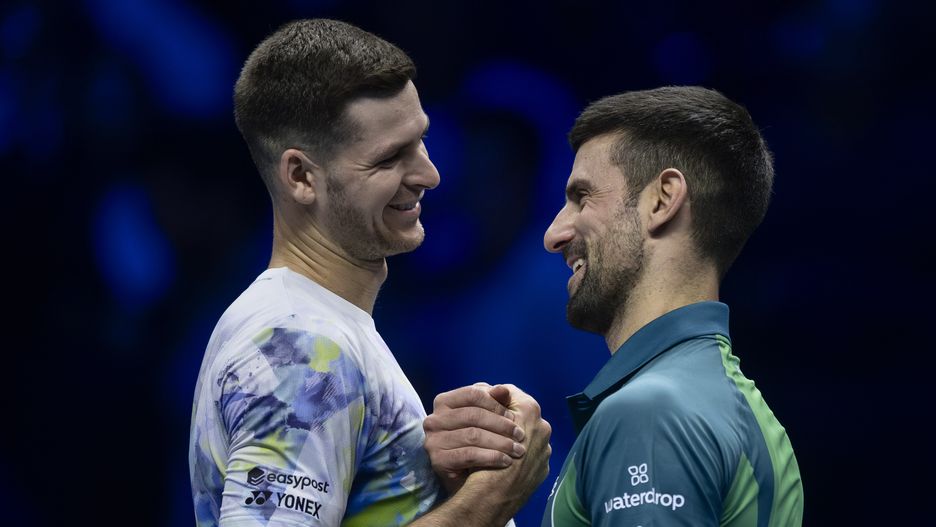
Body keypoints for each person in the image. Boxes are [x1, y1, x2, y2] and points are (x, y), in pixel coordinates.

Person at [188, 19, 550, 527]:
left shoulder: (320, 332)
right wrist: (490, 500)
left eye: (420, 142)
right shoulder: (304, 349)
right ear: (301, 177)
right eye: (389, 158)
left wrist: (443, 485)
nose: (429, 174)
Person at [424, 86, 804, 526]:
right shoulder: (743, 409)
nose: (553, 234)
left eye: (582, 198)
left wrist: (483, 504)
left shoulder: (648, 414)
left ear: (662, 199)